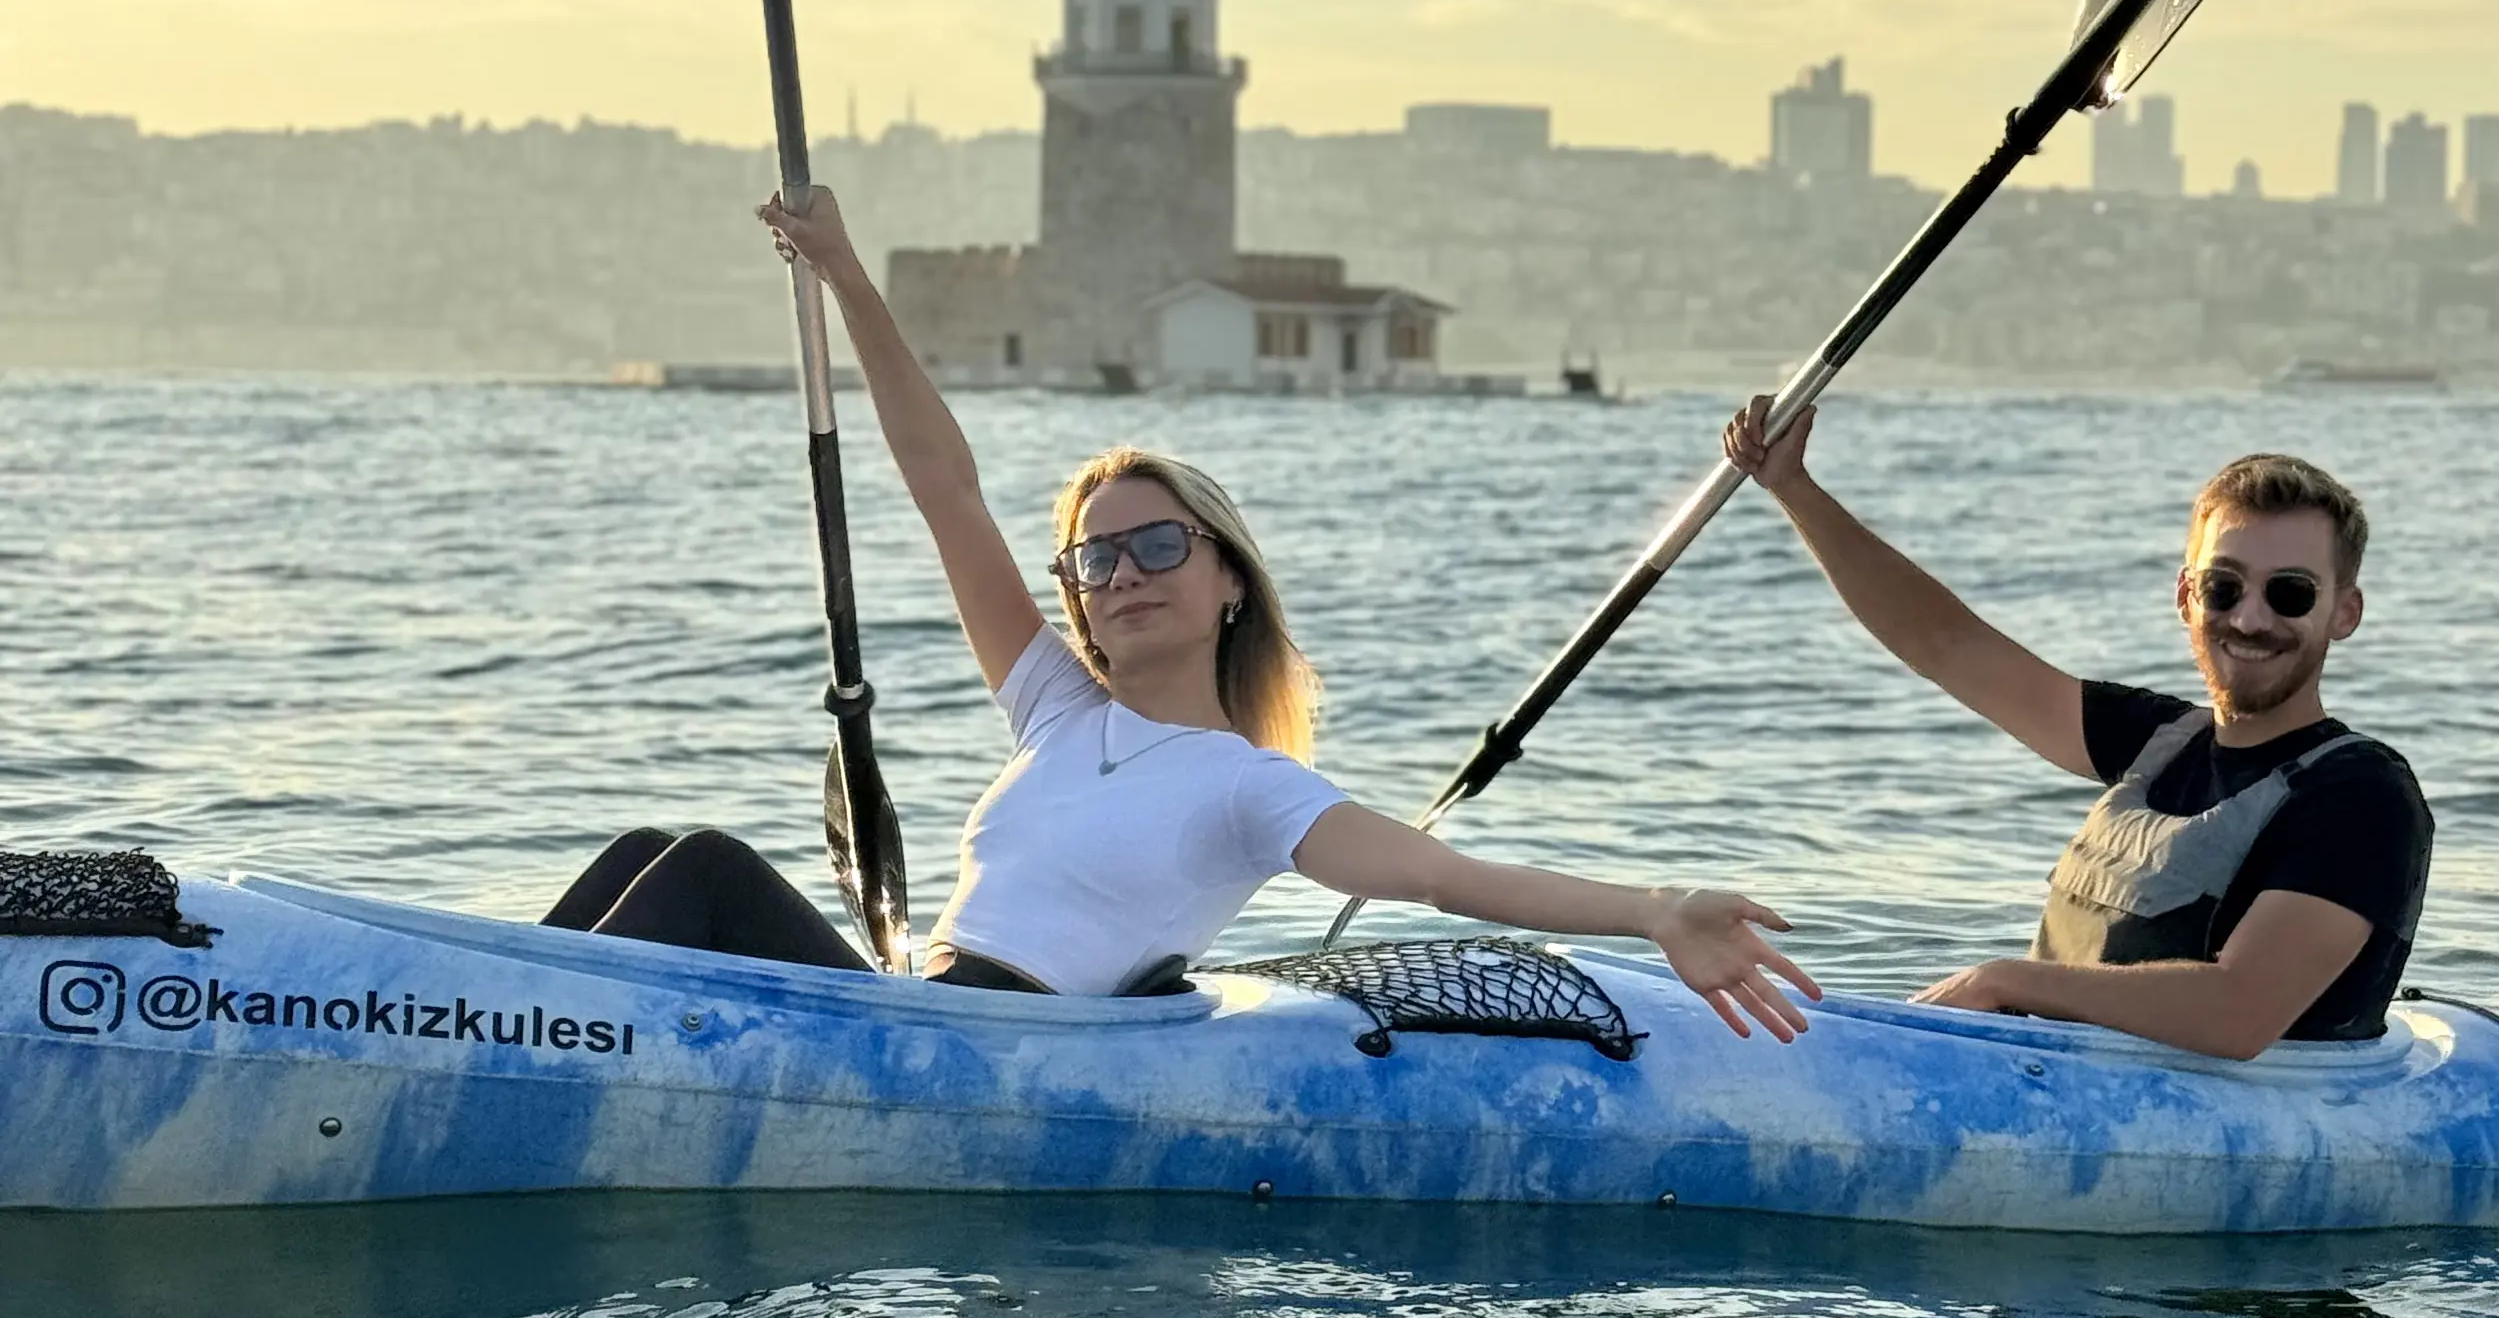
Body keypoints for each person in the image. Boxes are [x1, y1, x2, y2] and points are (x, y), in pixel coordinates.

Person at [546, 190, 1817, 1039]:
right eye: (1095, 562)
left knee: (706, 866)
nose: (1126, 573)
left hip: (996, 1055)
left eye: (1160, 544)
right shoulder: (1051, 705)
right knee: (653, 845)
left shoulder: (1244, 788)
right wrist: (842, 274)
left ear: (1226, 582)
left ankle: (480, 1019)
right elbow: (945, 490)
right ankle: (453, 1013)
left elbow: (1444, 876)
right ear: (1077, 604)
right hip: (913, 1015)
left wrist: (1655, 909)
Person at [1719, 405, 2429, 1055]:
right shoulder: (2157, 740)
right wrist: (1793, 488)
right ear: (2187, 596)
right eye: (2224, 586)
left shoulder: (2360, 795)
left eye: (2291, 592)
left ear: (2345, 612)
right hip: (2059, 1078)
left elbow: (2239, 1013)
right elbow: (1944, 645)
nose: (2249, 618)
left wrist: (2006, 981)